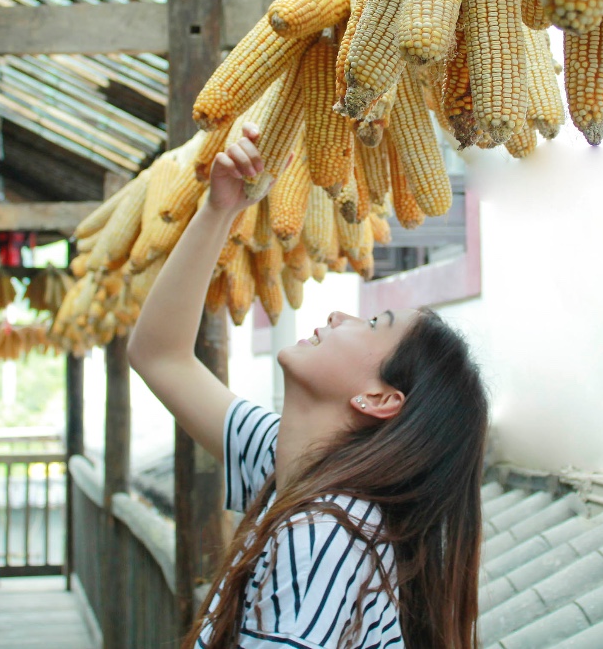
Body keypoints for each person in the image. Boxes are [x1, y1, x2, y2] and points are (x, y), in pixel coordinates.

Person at [128, 125, 489, 649]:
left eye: (371, 324)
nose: (343, 313)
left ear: (381, 399)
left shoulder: (325, 535)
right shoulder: (290, 465)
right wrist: (220, 209)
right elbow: (158, 354)